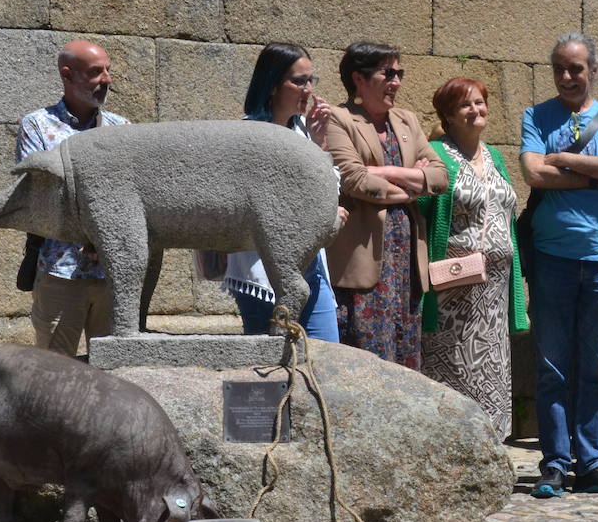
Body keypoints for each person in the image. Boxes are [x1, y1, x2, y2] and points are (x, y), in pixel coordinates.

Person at [521, 32, 598, 498]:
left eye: (576, 69)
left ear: (593, 71)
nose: (568, 77)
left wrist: (566, 161)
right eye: (560, 69)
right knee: (552, 366)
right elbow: (533, 173)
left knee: (596, 367)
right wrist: (596, 174)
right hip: (552, 257)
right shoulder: (535, 115)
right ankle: (554, 463)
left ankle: (590, 463)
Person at [325, 42, 447, 369]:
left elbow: (440, 177)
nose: (397, 81)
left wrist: (388, 171)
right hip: (364, 259)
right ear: (359, 79)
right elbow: (353, 180)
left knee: (406, 354)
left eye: (399, 73)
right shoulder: (340, 119)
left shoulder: (406, 120)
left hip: (406, 261)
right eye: (388, 73)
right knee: (366, 358)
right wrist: (411, 186)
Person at [419, 78, 527, 439]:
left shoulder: (494, 155)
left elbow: (506, 211)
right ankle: (454, 448)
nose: (476, 110)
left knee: (491, 369)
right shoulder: (435, 153)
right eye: (466, 105)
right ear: (448, 114)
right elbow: (420, 208)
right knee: (456, 370)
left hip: (493, 291)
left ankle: (489, 450)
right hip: (454, 290)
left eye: (480, 103)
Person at [16, 40, 128, 356]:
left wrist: (104, 239)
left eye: (107, 70)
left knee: (115, 376)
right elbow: (41, 191)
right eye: (96, 72)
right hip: (60, 272)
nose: (106, 79)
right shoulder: (37, 125)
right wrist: (91, 232)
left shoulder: (121, 129)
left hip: (111, 274)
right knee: (53, 375)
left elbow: (131, 195)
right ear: (68, 75)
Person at [224, 43, 341, 342]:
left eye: (310, 80)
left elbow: (329, 190)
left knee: (326, 354)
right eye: (298, 81)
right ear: (273, 85)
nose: (308, 90)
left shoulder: (303, 130)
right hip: (264, 267)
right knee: (271, 363)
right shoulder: (247, 135)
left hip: (311, 265)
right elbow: (260, 201)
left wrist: (317, 145)